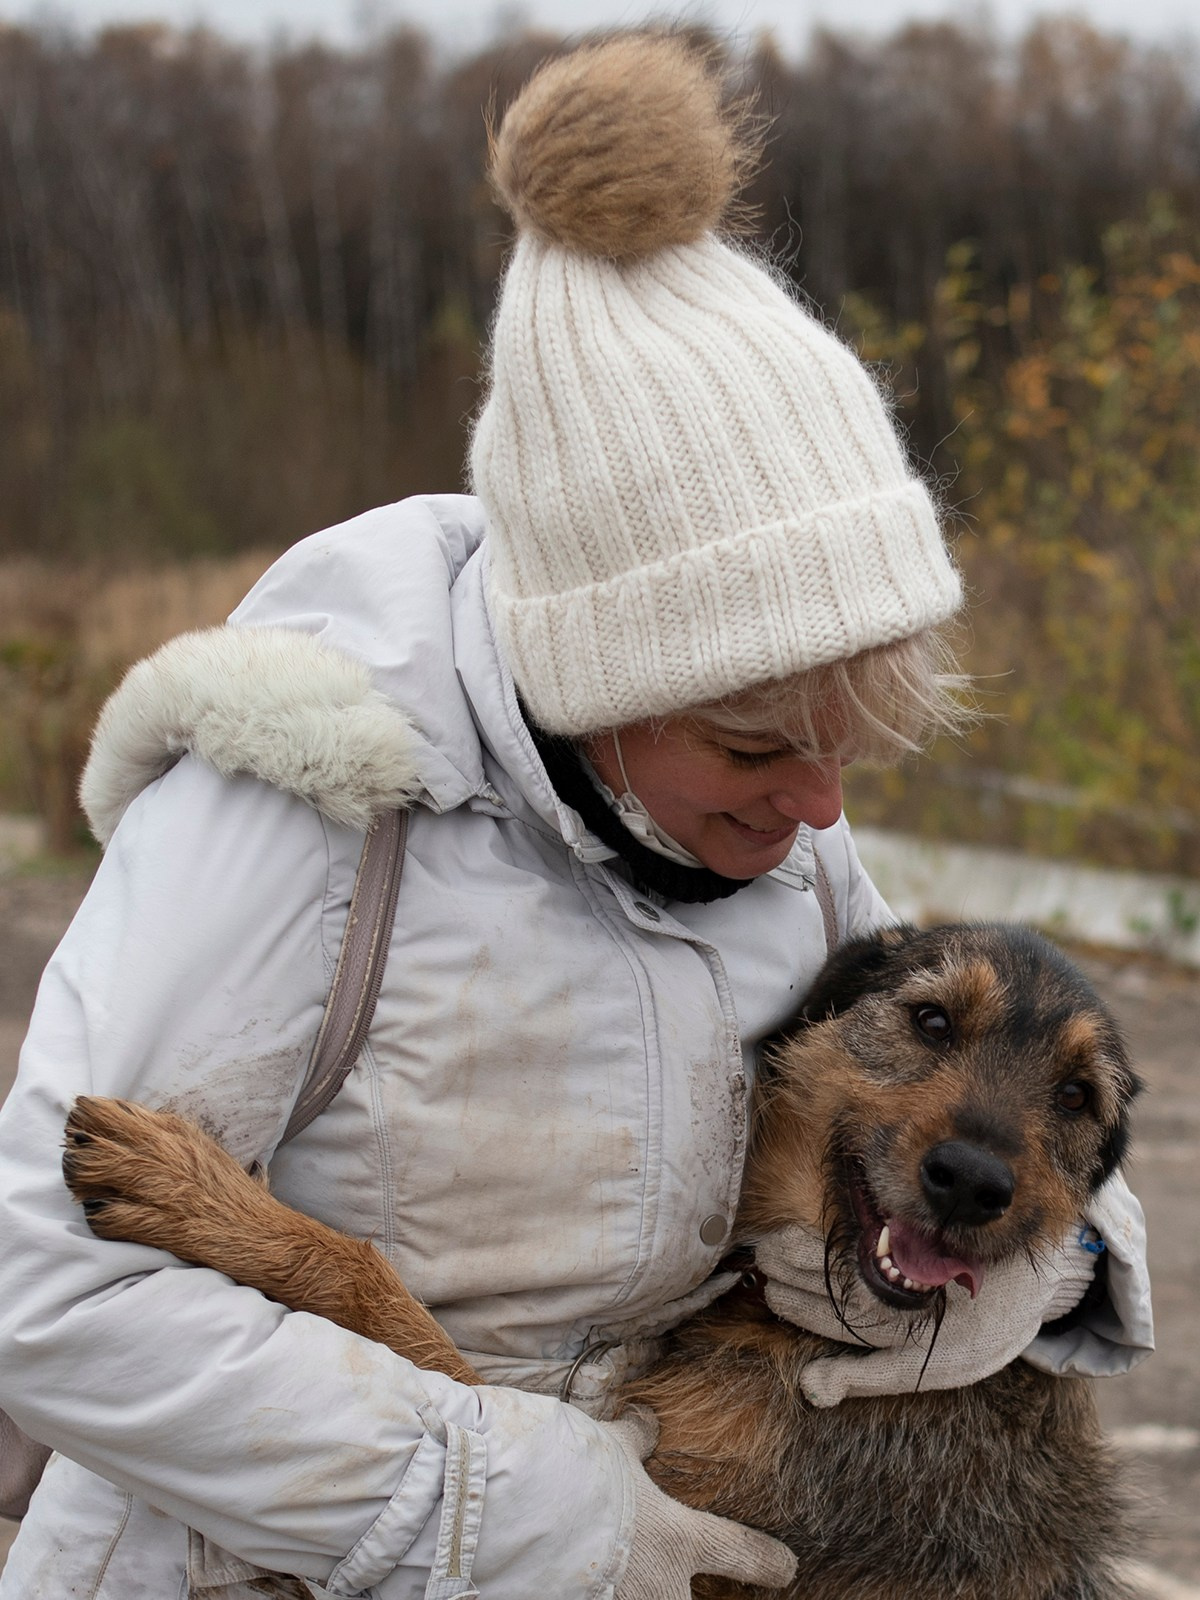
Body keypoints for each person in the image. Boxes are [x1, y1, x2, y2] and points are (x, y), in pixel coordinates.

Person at [0, 32, 1149, 1600]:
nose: (820, 811)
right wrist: (531, 1522)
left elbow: (986, 1076)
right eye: (758, 746)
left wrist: (1050, 1270)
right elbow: (46, 1291)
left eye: (850, 748)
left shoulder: (774, 841)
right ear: (586, 667)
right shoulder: (308, 800)